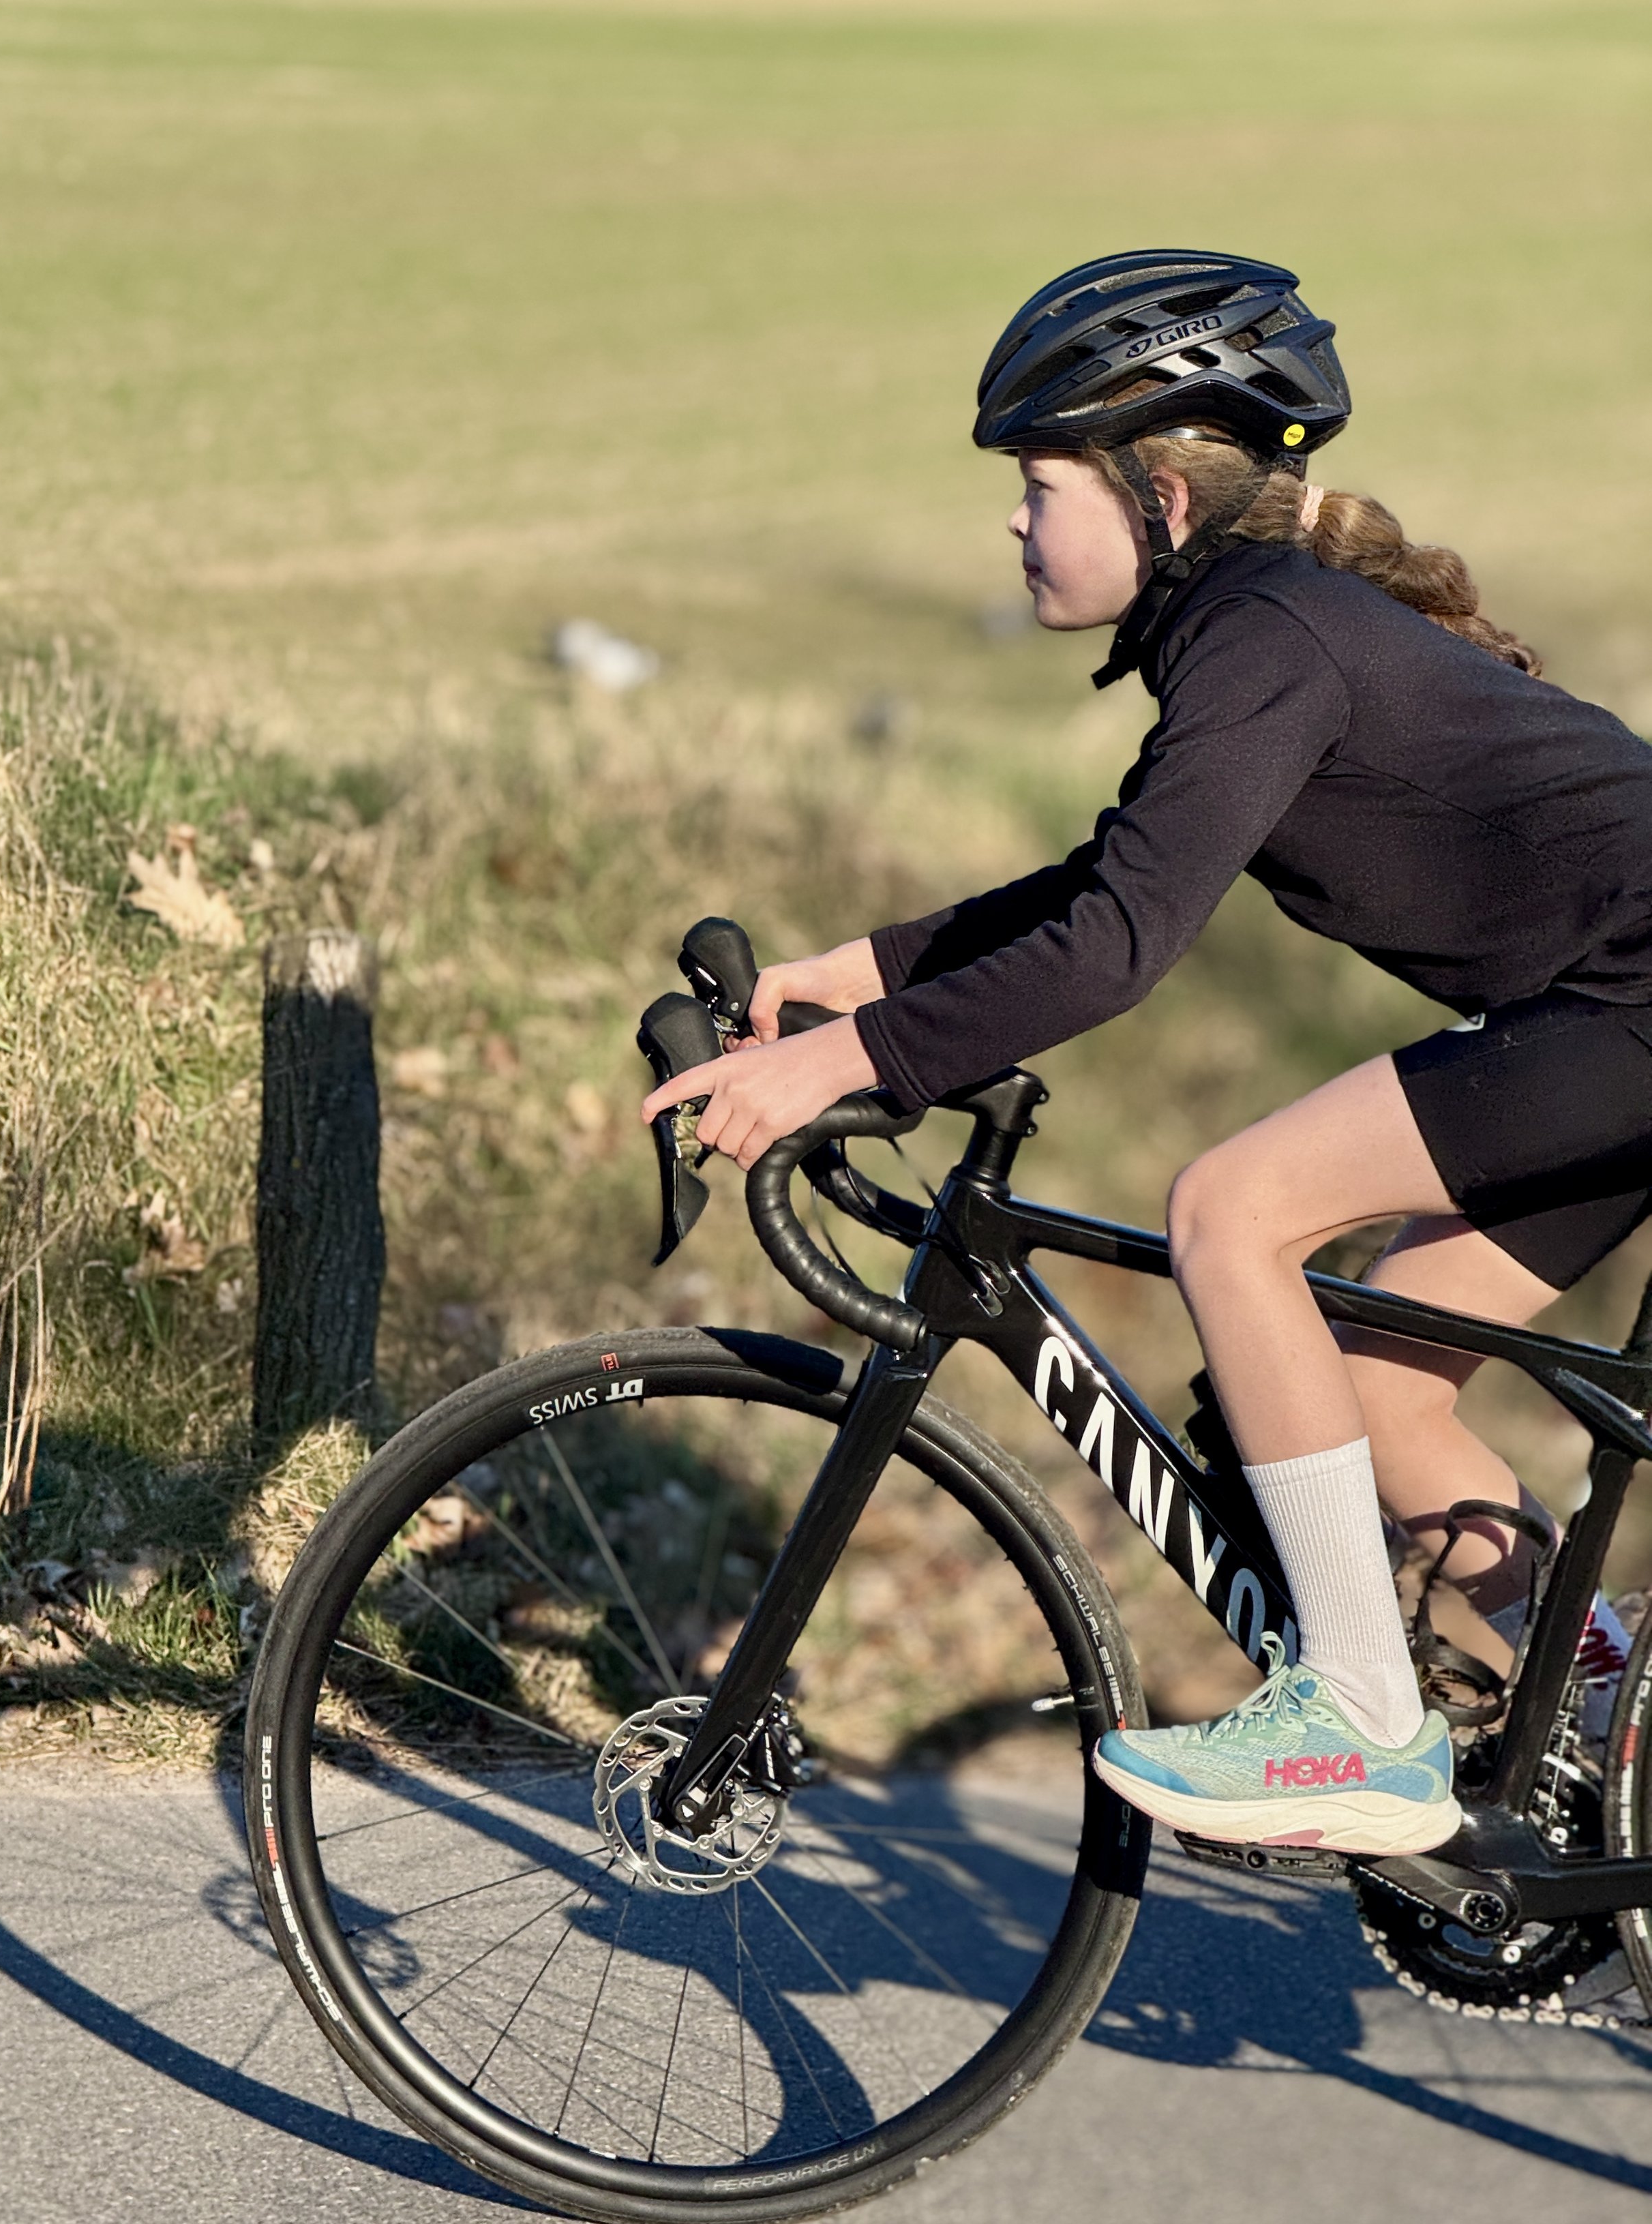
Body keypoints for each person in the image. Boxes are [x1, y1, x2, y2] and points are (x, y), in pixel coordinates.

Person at [640, 248, 1645, 1857]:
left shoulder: (1265, 637)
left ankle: (1362, 1723)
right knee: (1385, 1390)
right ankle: (1608, 1715)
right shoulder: (1248, 628)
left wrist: (844, 1068)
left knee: (1228, 1211)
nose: (1014, 520)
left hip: (1625, 1014)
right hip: (1600, 1018)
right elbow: (1108, 881)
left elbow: (1113, 948)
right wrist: (850, 979)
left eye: (1040, 482)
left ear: (1158, 497)